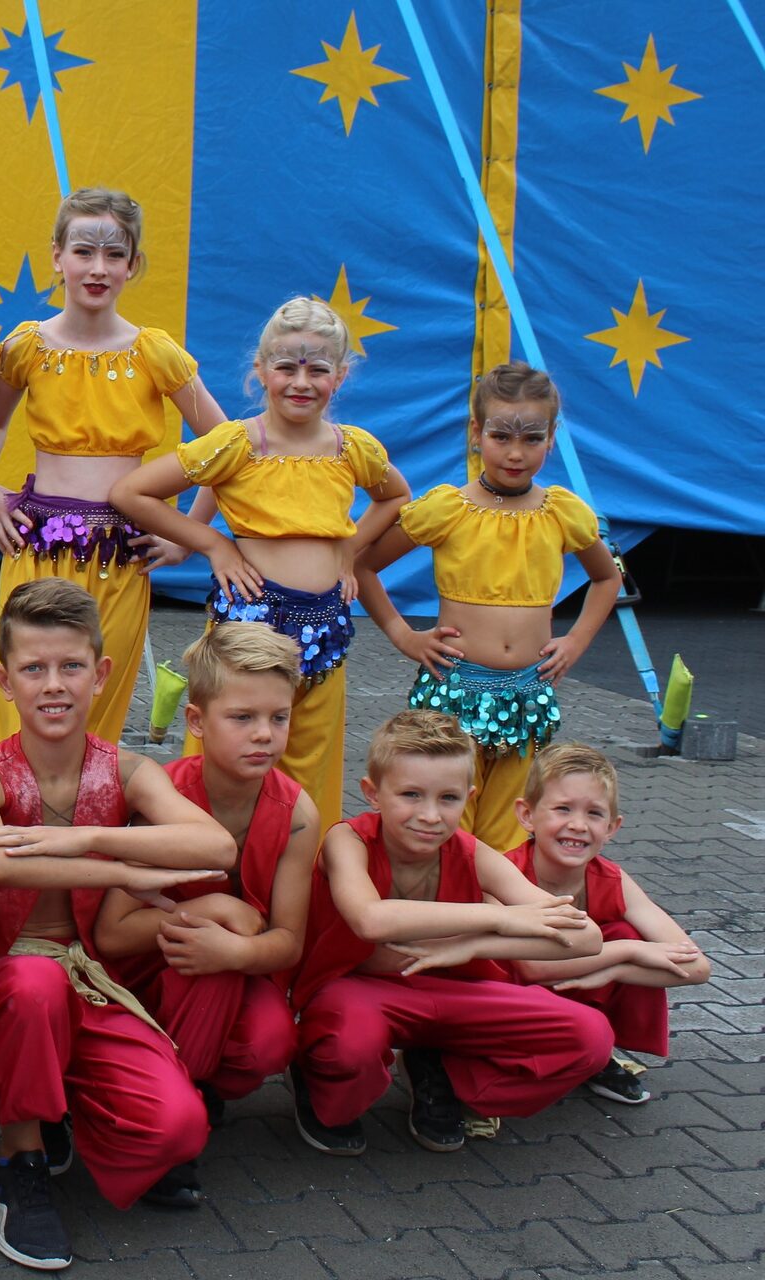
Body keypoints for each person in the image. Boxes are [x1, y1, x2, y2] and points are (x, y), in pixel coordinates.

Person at [0, 580, 233, 1269]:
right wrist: (121, 869)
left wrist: (83, 840)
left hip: (87, 982)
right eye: (33, 669)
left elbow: (216, 847)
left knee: (179, 1128)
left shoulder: (128, 769)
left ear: (100, 675)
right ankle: (19, 1164)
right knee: (35, 982)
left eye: (71, 666)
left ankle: (64, 1106)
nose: (54, 685)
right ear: (3, 682)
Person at [112, 296, 410, 831]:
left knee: (310, 766)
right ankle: (204, 859)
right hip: (248, 627)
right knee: (226, 761)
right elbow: (132, 493)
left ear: (340, 376)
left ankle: (303, 873)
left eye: (318, 370)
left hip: (324, 630)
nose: (302, 382)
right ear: (261, 370)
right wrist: (214, 544)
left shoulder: (352, 449)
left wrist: (348, 550)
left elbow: (396, 496)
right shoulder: (238, 443)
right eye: (287, 367)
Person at [289, 710, 613, 1157]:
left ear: (468, 798)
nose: (430, 815)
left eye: (448, 798)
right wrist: (495, 919)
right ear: (372, 793)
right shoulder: (348, 841)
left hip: (452, 993)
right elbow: (370, 920)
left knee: (590, 1037)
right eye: (411, 795)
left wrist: (473, 946)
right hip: (360, 990)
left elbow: (587, 937)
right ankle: (318, 1076)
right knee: (349, 1048)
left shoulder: (472, 853)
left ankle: (444, 1073)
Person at [0, 188, 226, 746]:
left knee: (95, 713)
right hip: (38, 549)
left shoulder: (154, 352)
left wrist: (187, 536)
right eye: (84, 251)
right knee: (24, 704)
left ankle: (88, 804)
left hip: (119, 557)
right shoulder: (26, 346)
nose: (98, 268)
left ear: (133, 264)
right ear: (57, 256)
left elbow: (226, 448)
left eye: (114, 254)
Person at [355, 362, 620, 851]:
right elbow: (364, 565)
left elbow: (608, 577)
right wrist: (403, 635)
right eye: (501, 436)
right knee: (444, 824)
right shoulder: (447, 509)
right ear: (476, 432)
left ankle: (497, 899)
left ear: (551, 438)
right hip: (452, 695)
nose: (516, 453)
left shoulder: (563, 513)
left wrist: (576, 641)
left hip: (527, 697)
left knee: (510, 832)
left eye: (532, 438)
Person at [98, 623, 316, 1204]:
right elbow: (111, 934)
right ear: (195, 721)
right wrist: (217, 909)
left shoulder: (298, 812)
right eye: (242, 718)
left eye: (279, 717)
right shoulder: (160, 799)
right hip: (139, 977)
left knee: (270, 1042)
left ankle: (190, 1088)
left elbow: (289, 940)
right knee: (212, 952)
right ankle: (165, 1128)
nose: (264, 734)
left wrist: (238, 950)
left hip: (227, 967)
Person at [504, 744, 710, 1105]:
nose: (578, 825)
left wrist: (613, 970)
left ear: (612, 827)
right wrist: (626, 952)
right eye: (563, 808)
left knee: (627, 931)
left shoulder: (612, 879)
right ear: (527, 814)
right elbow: (531, 966)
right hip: (510, 1000)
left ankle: (596, 1055)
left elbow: (697, 967)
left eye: (594, 813)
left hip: (569, 985)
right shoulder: (506, 872)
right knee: (628, 941)